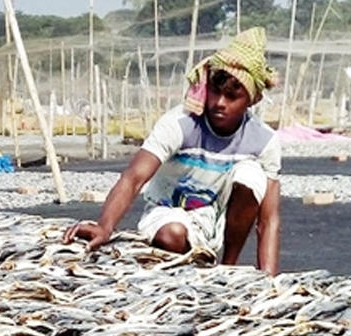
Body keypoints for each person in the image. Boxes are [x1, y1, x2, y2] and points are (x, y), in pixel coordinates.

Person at [62, 27, 283, 275]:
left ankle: (227, 266)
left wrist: (269, 281)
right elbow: (134, 178)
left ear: (252, 100)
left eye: (232, 96)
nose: (220, 103)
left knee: (251, 175)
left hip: (211, 220)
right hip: (165, 212)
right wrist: (105, 227)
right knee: (174, 235)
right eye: (216, 92)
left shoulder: (263, 141)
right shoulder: (180, 123)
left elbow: (268, 219)